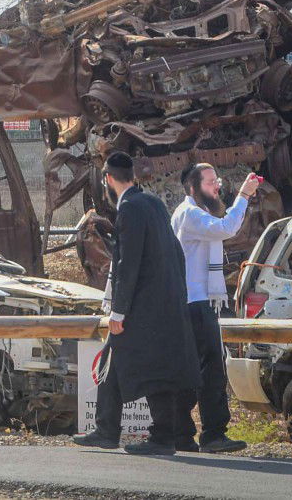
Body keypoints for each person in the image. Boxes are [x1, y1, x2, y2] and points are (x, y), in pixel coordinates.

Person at [73, 151, 200, 456]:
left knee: (153, 367)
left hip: (143, 308)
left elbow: (127, 264)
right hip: (167, 302)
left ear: (108, 180)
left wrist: (118, 310)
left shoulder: (129, 209)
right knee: (114, 357)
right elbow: (176, 253)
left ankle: (162, 436)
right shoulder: (153, 202)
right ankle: (107, 429)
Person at [169, 163, 260, 453]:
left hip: (198, 301)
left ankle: (182, 433)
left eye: (217, 180)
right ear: (194, 187)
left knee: (196, 369)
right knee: (210, 371)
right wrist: (244, 195)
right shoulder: (191, 215)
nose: (217, 186)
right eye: (211, 182)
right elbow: (226, 228)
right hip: (195, 302)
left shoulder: (197, 213)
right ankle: (211, 433)